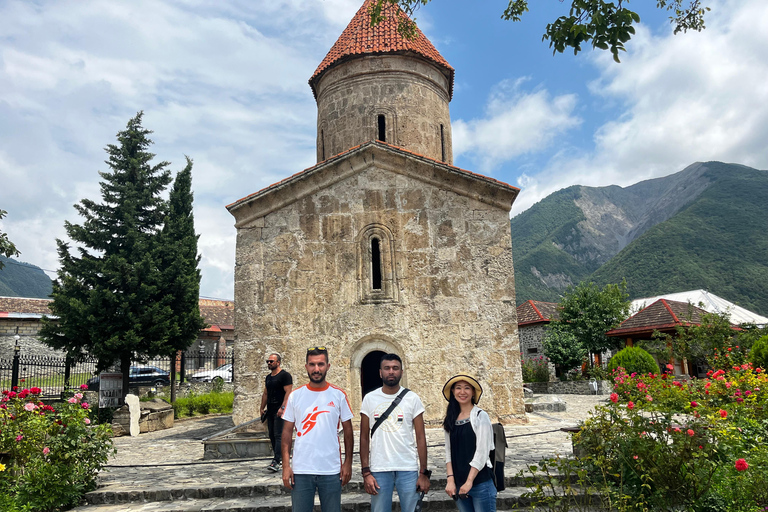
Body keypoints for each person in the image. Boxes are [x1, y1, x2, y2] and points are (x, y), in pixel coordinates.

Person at [281, 346, 354, 512]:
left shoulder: (339, 395)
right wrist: (286, 466)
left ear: (328, 366)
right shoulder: (295, 396)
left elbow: (348, 431)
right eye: (312, 364)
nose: (316, 369)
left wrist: (348, 462)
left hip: (331, 469)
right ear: (306, 366)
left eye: (320, 364)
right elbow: (286, 434)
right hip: (301, 469)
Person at [360, 354, 431, 512]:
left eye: (395, 368)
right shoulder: (370, 399)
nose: (391, 372)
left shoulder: (412, 399)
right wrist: (366, 472)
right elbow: (364, 437)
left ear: (401, 372)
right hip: (379, 468)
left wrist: (423, 473)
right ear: (380, 372)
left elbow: (421, 437)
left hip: (407, 467)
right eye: (387, 368)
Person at [442, 374, 497, 512]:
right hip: (459, 484)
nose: (462, 392)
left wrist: (469, 481)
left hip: (480, 483)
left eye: (467, 388)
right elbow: (449, 452)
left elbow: (482, 452)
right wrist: (450, 479)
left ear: (473, 392)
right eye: (458, 388)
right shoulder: (451, 419)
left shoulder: (480, 416)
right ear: (453, 392)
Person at [261, 353, 293, 472]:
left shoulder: (285, 376)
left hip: (280, 410)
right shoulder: (269, 377)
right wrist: (262, 408)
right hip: (270, 409)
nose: (269, 363)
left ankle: (277, 460)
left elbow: (288, 392)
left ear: (278, 362)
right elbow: (265, 393)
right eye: (268, 361)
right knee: (272, 435)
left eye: (271, 361)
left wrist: (283, 407)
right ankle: (278, 458)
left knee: (279, 435)